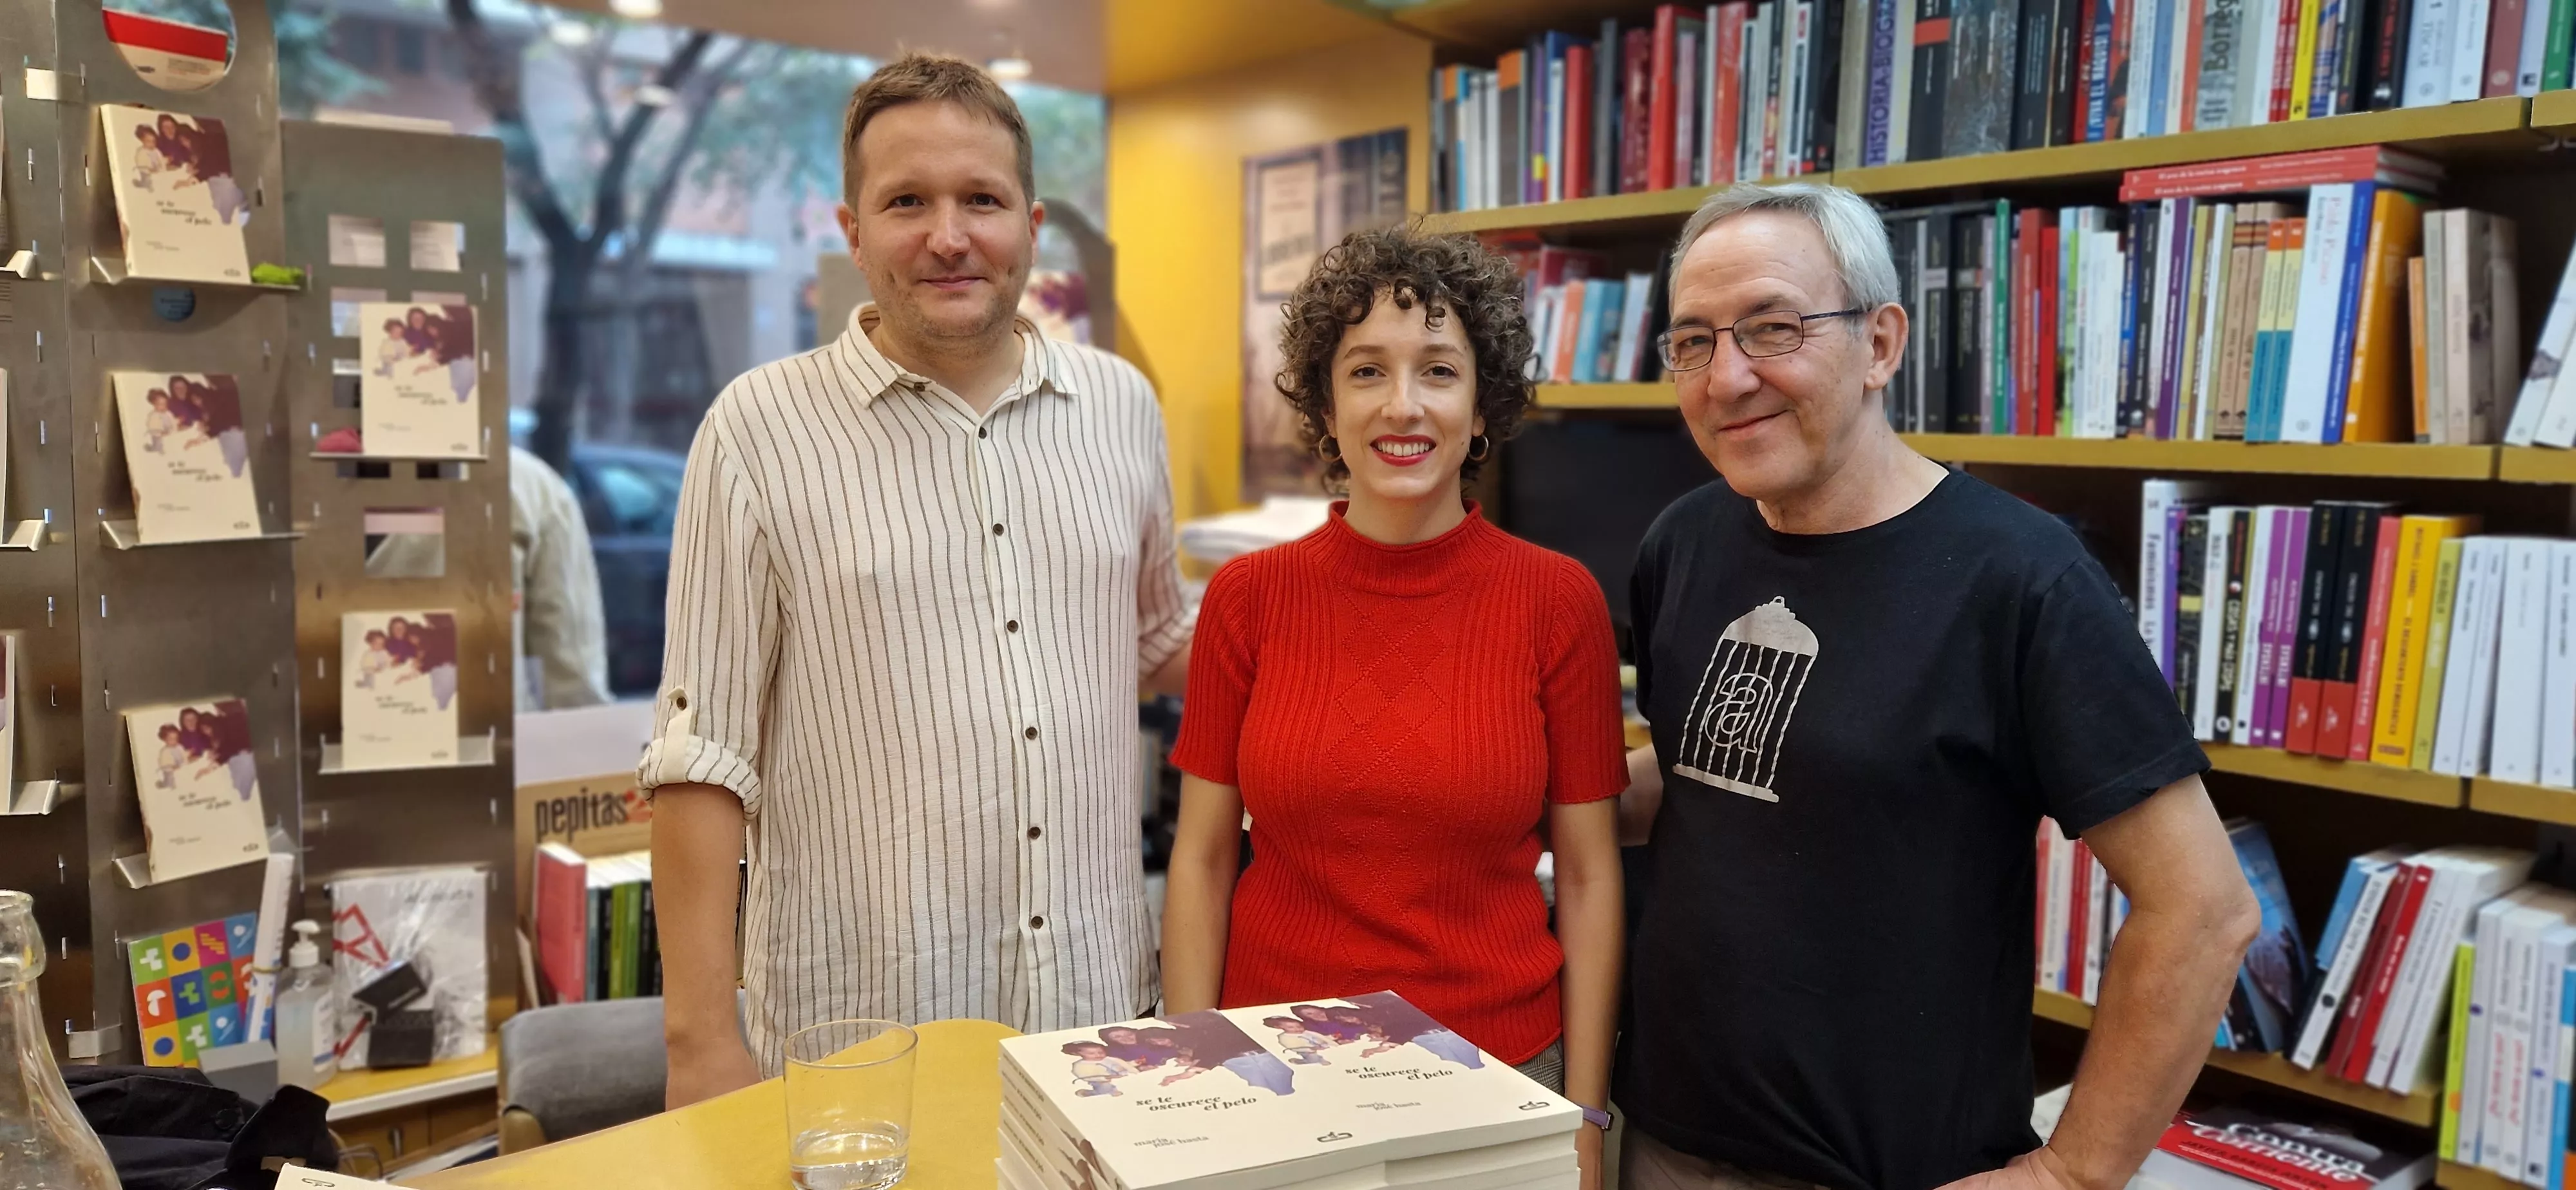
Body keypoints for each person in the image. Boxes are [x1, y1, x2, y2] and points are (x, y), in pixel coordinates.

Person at [1612, 181, 2262, 1190]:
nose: (1727, 377)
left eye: (1772, 329)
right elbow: (1715, 774)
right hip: (1656, 1137)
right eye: (1693, 341)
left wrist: (2071, 1174)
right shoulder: (1682, 540)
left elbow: (2204, 907)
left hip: (1889, 1168)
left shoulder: (2021, 578)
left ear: (1880, 344)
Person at [647, 52, 1189, 1108]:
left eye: (980, 199)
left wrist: (1358, 604)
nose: (949, 236)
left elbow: (1158, 644)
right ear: (852, 232)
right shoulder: (758, 429)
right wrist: (700, 1045)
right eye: (908, 202)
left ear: (1030, 221)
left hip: (1098, 1023)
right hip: (862, 1043)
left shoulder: (1121, 406)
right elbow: (699, 758)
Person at [1159, 224, 1624, 1190]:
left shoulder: (1558, 600)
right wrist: (1195, 1075)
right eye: (1367, 371)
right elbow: (1200, 860)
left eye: (1438, 371)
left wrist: (1585, 1112)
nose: (1402, 406)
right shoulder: (1248, 598)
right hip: (1273, 1074)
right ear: (1326, 407)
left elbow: (1585, 877)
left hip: (1498, 1077)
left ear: (1482, 406)